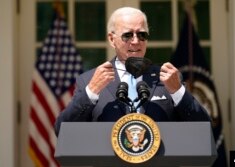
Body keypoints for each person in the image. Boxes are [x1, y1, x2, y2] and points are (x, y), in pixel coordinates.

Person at [54, 7, 210, 136]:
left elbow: (204, 127)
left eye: (142, 35)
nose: (135, 41)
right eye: (127, 35)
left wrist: (178, 92)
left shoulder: (167, 78)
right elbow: (61, 130)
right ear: (111, 39)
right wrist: (91, 92)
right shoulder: (89, 80)